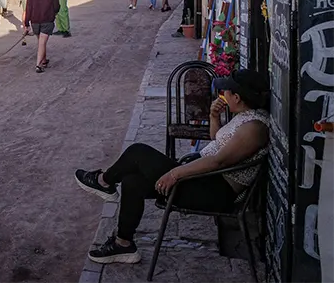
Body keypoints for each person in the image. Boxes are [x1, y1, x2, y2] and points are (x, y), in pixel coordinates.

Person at [74, 69, 270, 265]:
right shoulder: (245, 116)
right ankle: (123, 243)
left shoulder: (254, 129)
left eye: (225, 91)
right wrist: (214, 117)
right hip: (204, 179)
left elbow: (219, 161)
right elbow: (217, 142)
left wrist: (175, 173)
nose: (222, 94)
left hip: (215, 191)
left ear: (236, 97)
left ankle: (103, 181)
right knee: (132, 182)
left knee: (138, 152)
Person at [23, 0, 61, 73]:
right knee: (42, 42)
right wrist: (53, 13)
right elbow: (57, 7)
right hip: (47, 20)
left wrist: (26, 24)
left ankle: (44, 61)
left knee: (41, 42)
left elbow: (28, 9)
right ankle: (38, 65)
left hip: (35, 21)